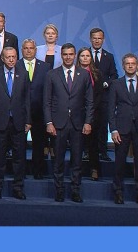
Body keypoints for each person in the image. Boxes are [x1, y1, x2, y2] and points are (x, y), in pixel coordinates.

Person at [44, 43, 93, 203]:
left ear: (75, 55)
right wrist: (49, 122)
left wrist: (88, 122)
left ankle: (75, 191)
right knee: (58, 160)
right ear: (61, 55)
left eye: (71, 54)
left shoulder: (84, 75)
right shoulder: (52, 74)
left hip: (78, 124)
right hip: (58, 124)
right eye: (65, 54)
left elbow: (89, 101)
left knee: (77, 161)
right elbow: (47, 101)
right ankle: (59, 191)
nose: (68, 57)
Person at [109, 53, 138, 205]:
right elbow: (111, 109)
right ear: (123, 66)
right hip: (121, 129)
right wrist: (113, 130)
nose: (130, 66)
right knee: (120, 163)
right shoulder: (116, 84)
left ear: (137, 65)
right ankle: (118, 192)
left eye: (133, 63)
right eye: (127, 63)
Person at [0, 47, 31, 199]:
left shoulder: (23, 74)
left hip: (18, 122)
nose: (11, 60)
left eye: (13, 57)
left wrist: (28, 120)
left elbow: (26, 99)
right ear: (3, 58)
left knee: (19, 158)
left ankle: (18, 188)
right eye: (8, 57)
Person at [19, 38, 51, 179]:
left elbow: (48, 91)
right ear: (22, 50)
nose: (28, 50)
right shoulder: (16, 65)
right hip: (20, 111)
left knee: (39, 143)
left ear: (35, 50)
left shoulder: (45, 67)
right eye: (26, 48)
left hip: (39, 111)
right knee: (20, 144)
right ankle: (21, 171)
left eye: (31, 48)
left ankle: (38, 171)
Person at [89, 27, 118, 162]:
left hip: (104, 97)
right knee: (87, 124)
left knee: (102, 125)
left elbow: (114, 75)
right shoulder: (85, 54)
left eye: (99, 38)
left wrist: (106, 83)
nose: (97, 41)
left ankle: (103, 151)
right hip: (88, 97)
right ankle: (86, 151)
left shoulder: (109, 56)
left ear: (103, 39)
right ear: (90, 39)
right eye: (94, 38)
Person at [76, 47, 104, 181]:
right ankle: (77, 170)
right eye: (82, 56)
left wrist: (91, 110)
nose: (85, 58)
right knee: (78, 144)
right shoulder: (74, 72)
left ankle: (94, 169)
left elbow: (99, 94)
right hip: (77, 113)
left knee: (93, 143)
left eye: (87, 56)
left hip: (94, 113)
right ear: (78, 58)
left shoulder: (97, 74)